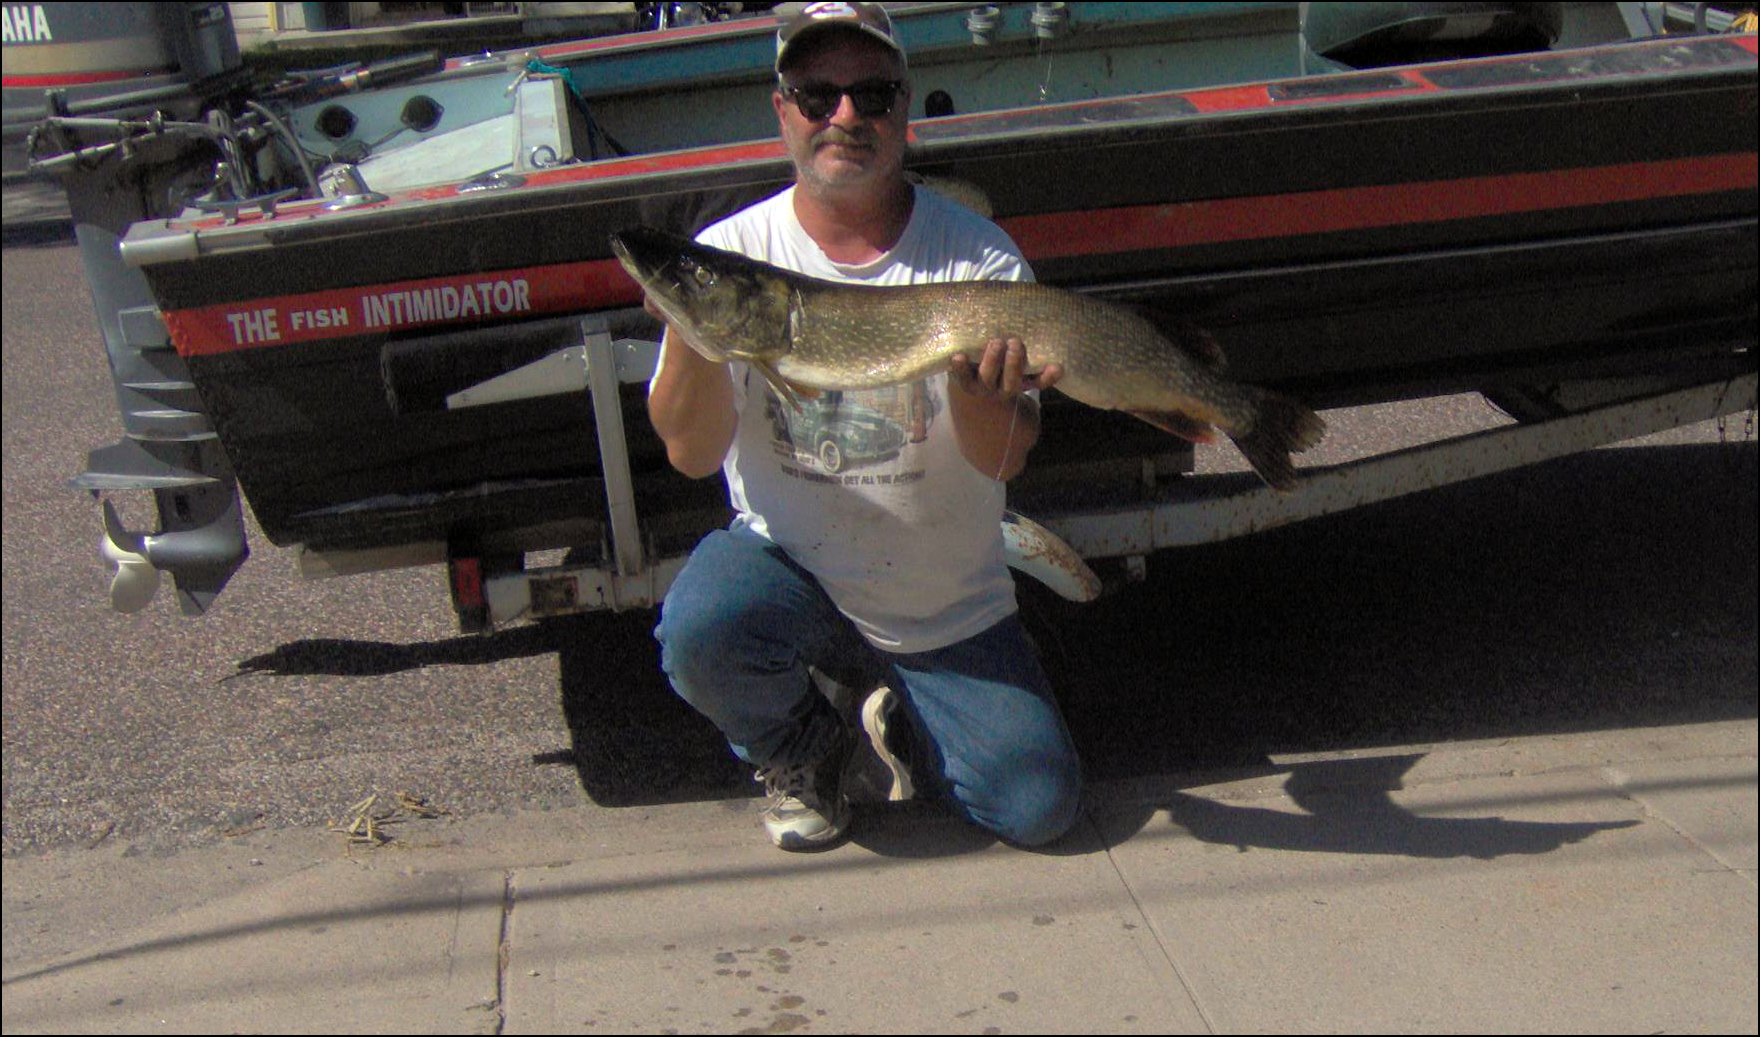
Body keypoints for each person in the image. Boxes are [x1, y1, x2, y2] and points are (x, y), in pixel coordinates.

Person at [644, 1, 1082, 851]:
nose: (844, 116)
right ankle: (805, 746)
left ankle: (905, 721)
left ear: (903, 110)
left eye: (871, 95)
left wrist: (984, 395)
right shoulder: (731, 255)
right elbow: (691, 453)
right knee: (702, 628)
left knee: (1039, 806)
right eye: (818, 95)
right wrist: (696, 328)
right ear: (784, 110)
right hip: (794, 574)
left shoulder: (979, 260)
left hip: (943, 602)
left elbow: (1003, 459)